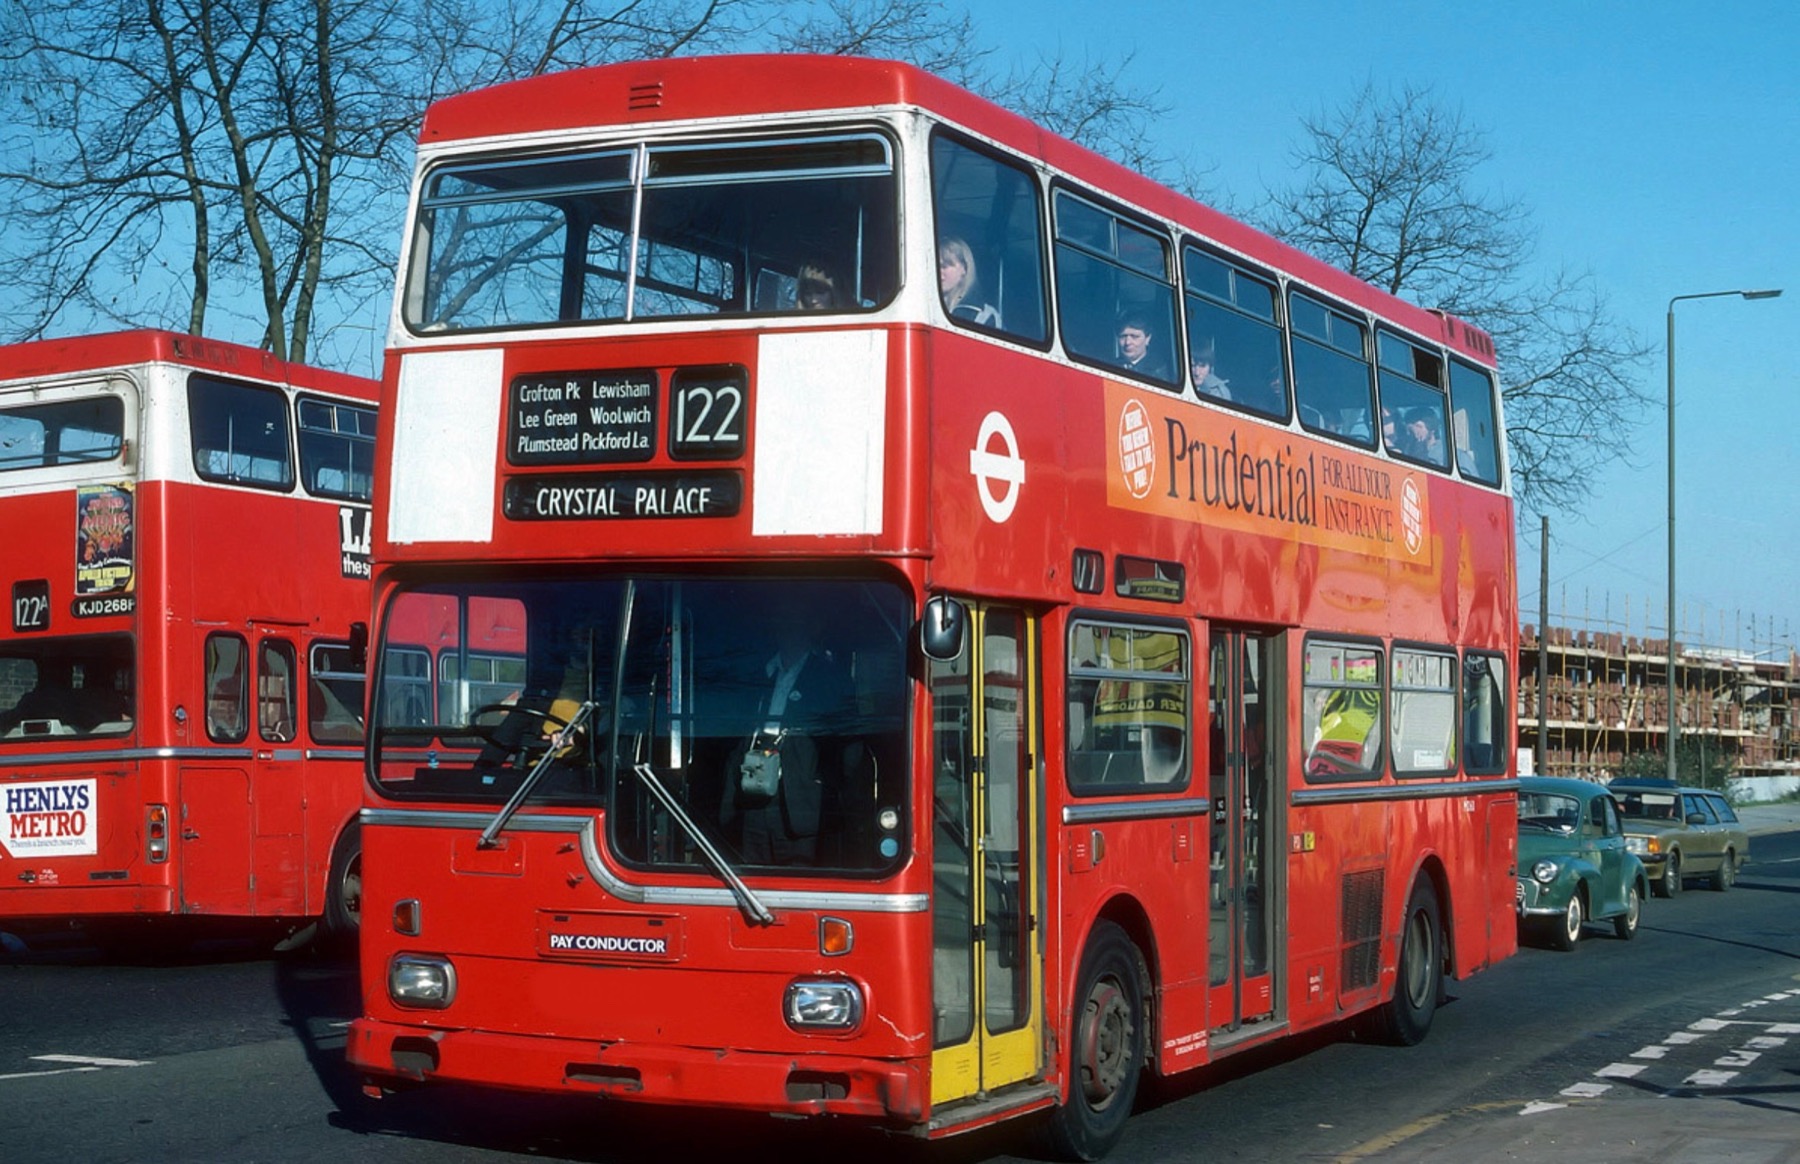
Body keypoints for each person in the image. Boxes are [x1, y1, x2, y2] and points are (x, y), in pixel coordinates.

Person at [720, 599, 852, 864]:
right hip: (754, 792)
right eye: (780, 623)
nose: (785, 630)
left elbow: (845, 743)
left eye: (792, 622)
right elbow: (739, 731)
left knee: (798, 872)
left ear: (809, 628)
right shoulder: (761, 675)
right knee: (753, 866)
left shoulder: (828, 677)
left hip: (799, 799)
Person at [938, 238, 1000, 327]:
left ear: (964, 269)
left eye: (944, 266)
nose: (938, 271)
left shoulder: (985, 316)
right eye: (936, 266)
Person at [1115, 314, 1169, 378]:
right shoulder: (1111, 366)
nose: (1127, 342)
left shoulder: (1159, 370)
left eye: (1134, 336)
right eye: (1123, 336)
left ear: (1147, 339)